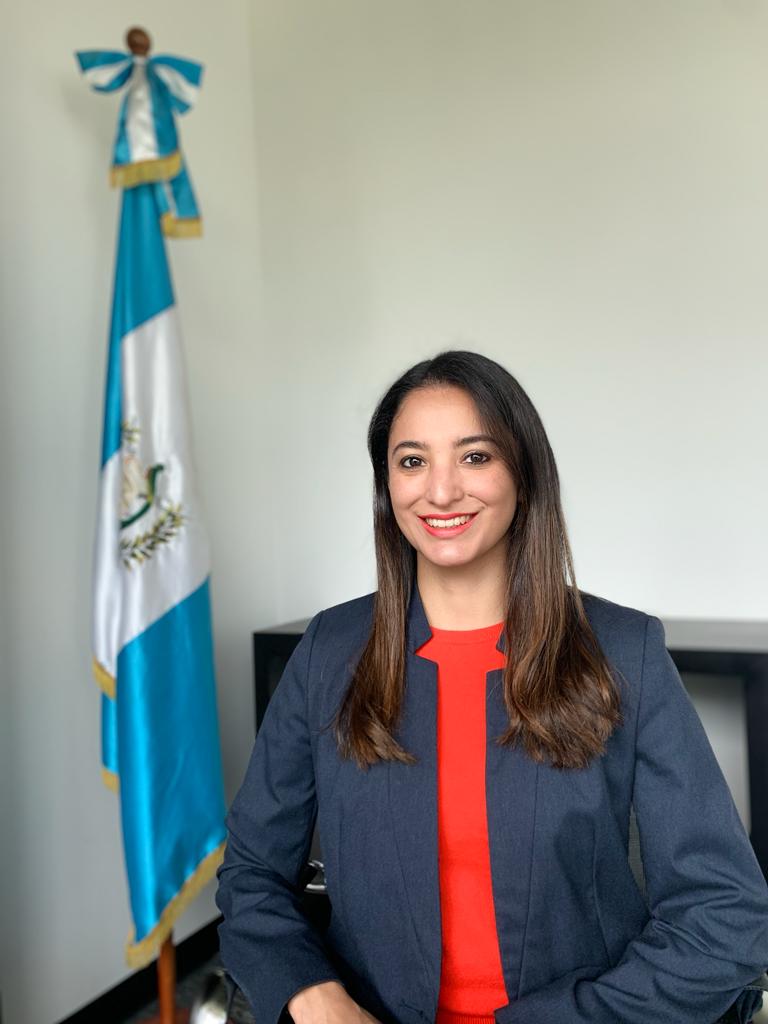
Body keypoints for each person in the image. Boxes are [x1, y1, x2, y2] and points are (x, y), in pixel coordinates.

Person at [215, 350, 768, 1024]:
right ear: (387, 486)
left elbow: (724, 912)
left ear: (524, 476)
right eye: (412, 461)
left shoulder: (627, 650)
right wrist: (317, 999)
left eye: (474, 457)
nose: (441, 491)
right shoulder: (329, 651)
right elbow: (252, 875)